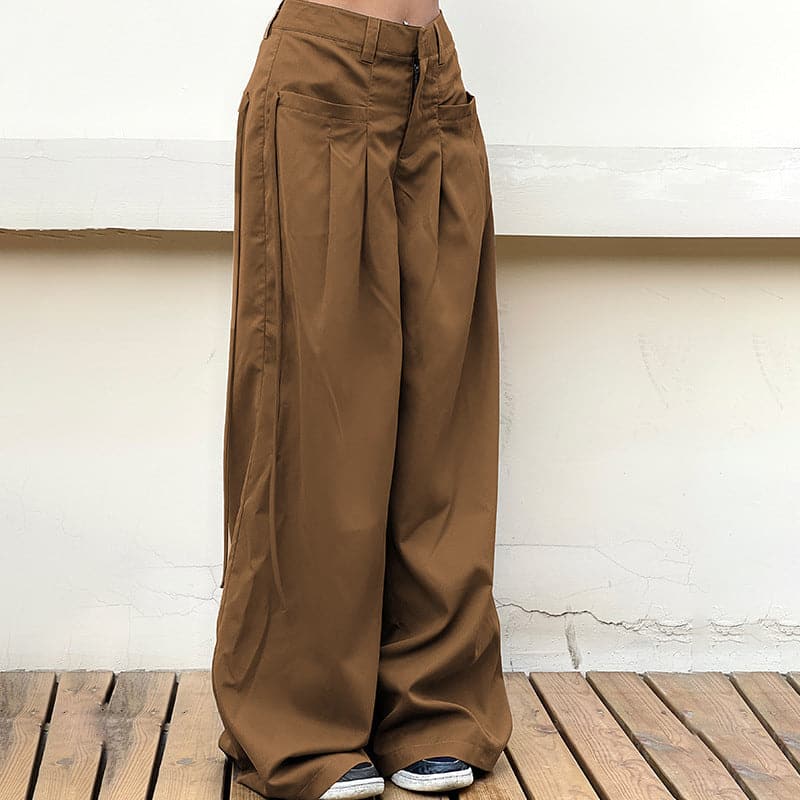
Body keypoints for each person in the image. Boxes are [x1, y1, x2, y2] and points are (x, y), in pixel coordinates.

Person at [210, 0, 513, 797]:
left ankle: (433, 706)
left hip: (433, 80)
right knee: (312, 421)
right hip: (323, 78)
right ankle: (297, 721)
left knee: (443, 417)